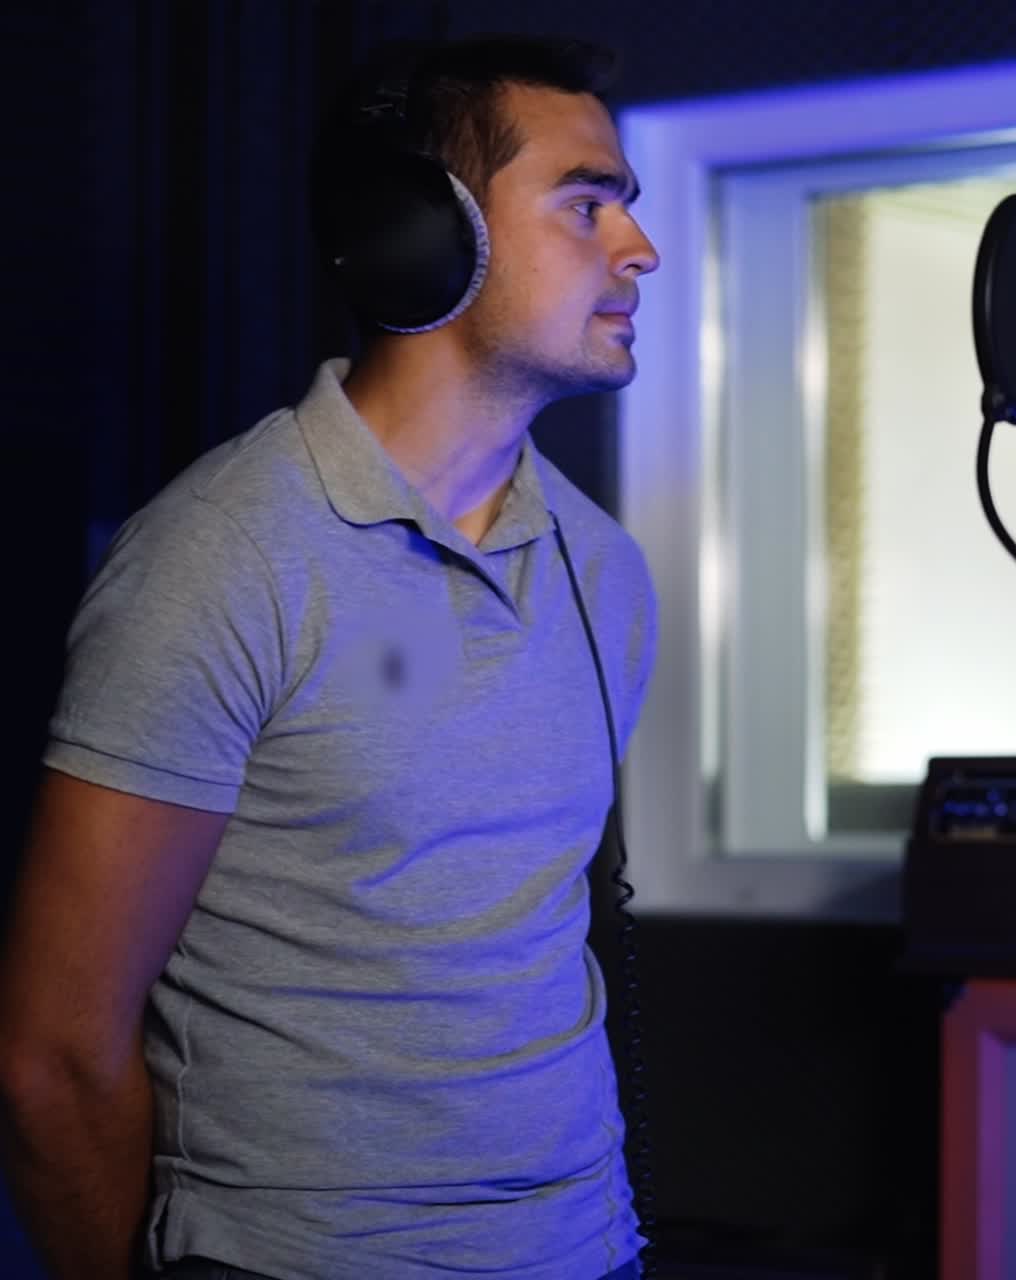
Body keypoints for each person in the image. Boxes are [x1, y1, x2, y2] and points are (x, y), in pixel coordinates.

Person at [0, 33, 660, 1280]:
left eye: (627, 207)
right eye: (586, 203)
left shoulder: (603, 572)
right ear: (428, 230)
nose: (637, 248)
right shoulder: (221, 557)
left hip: (586, 1251)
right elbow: (56, 1057)